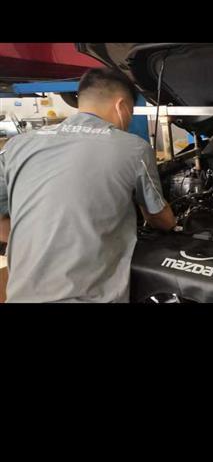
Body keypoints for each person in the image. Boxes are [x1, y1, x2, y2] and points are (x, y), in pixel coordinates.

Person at [0, 67, 175, 303]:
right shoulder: (133, 148)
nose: (129, 120)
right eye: (131, 113)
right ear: (122, 106)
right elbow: (160, 219)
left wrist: (46, 239)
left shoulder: (16, 146)